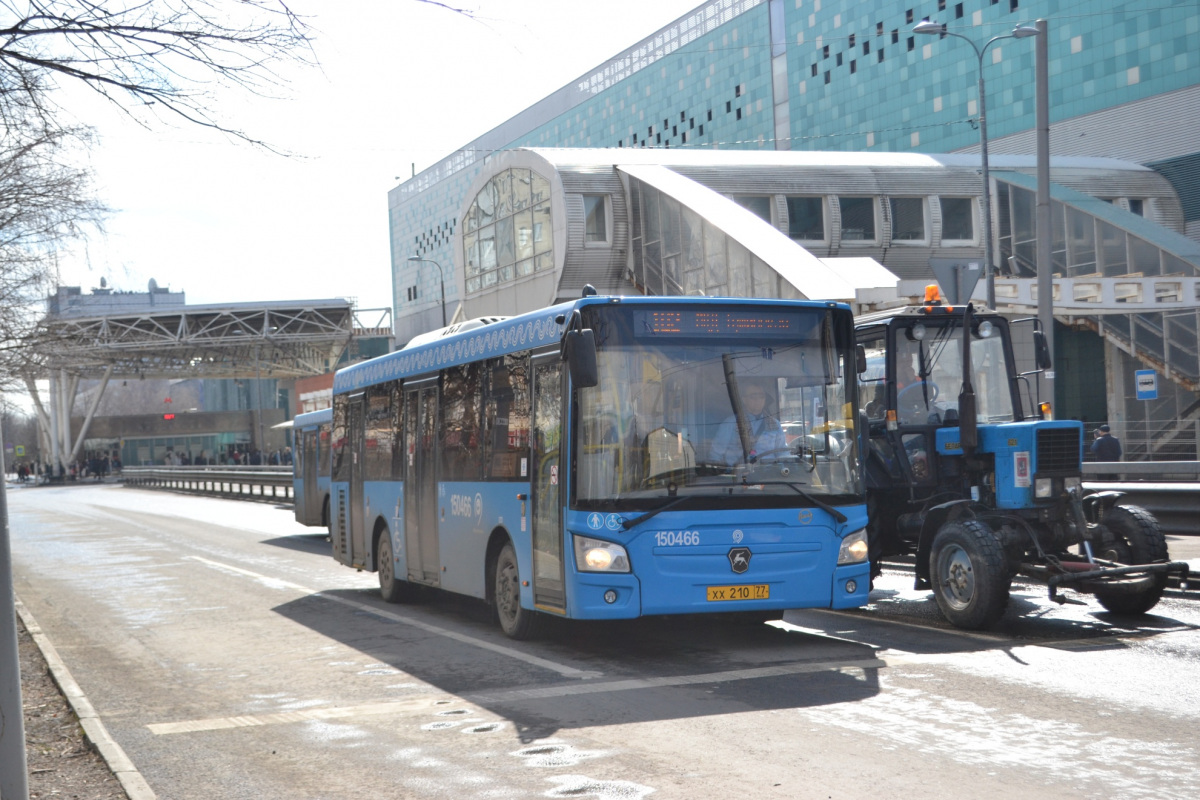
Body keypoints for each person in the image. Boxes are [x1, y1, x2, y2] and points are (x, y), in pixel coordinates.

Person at [709, 384, 787, 465]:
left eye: (761, 397)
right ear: (744, 400)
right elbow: (716, 455)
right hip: (740, 474)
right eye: (753, 397)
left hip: (768, 474)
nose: (758, 400)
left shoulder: (775, 424)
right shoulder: (731, 423)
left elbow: (782, 452)